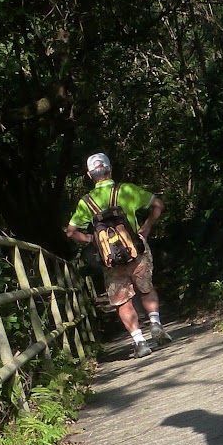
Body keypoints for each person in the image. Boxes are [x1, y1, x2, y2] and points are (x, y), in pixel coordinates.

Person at [66, 153, 171, 358]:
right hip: (136, 251)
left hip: (110, 260)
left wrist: (92, 240)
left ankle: (140, 342)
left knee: (123, 300)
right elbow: (158, 204)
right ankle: (155, 322)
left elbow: (70, 232)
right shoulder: (126, 190)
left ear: (89, 175)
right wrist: (146, 227)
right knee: (146, 287)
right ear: (110, 169)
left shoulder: (86, 202)